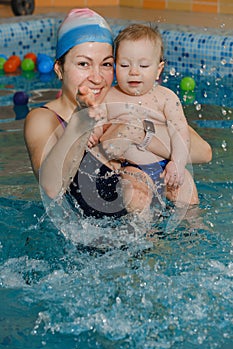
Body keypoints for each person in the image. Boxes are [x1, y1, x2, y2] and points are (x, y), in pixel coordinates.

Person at [24, 8, 212, 220]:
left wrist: (138, 132)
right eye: (83, 64)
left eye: (106, 64)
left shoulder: (124, 102)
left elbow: (203, 152)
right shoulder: (44, 119)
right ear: (59, 68)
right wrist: (83, 119)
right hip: (90, 246)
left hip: (154, 235)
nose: (96, 77)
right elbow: (50, 188)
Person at [88, 23, 198, 213]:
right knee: (137, 197)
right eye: (124, 65)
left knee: (187, 192)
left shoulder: (166, 97)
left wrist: (178, 164)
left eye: (144, 65)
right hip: (132, 167)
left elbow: (180, 132)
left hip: (166, 165)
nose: (134, 71)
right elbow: (98, 124)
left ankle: (194, 230)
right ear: (115, 66)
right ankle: (147, 237)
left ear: (158, 69)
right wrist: (92, 132)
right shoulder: (109, 97)